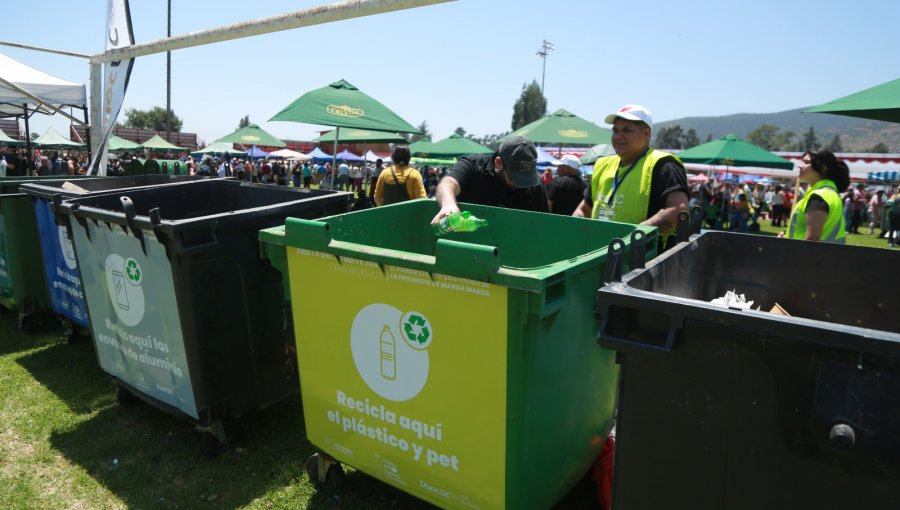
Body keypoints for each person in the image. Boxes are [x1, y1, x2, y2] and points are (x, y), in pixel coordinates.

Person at [573, 104, 688, 250]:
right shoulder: (603, 164)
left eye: (627, 130)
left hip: (641, 262)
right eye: (615, 130)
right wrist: (575, 232)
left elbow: (679, 210)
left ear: (647, 134)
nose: (618, 136)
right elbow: (583, 210)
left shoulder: (664, 165)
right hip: (597, 255)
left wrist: (635, 236)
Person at [432, 135, 548, 224]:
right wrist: (448, 204)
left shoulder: (535, 184)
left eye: (526, 178)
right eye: (515, 177)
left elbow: (545, 225)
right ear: (498, 163)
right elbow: (448, 183)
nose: (521, 184)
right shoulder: (473, 166)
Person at [783, 148, 849, 243]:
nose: (800, 165)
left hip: (806, 256)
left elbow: (811, 241)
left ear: (823, 168)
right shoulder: (829, 193)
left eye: (806, 162)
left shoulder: (819, 196)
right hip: (825, 255)